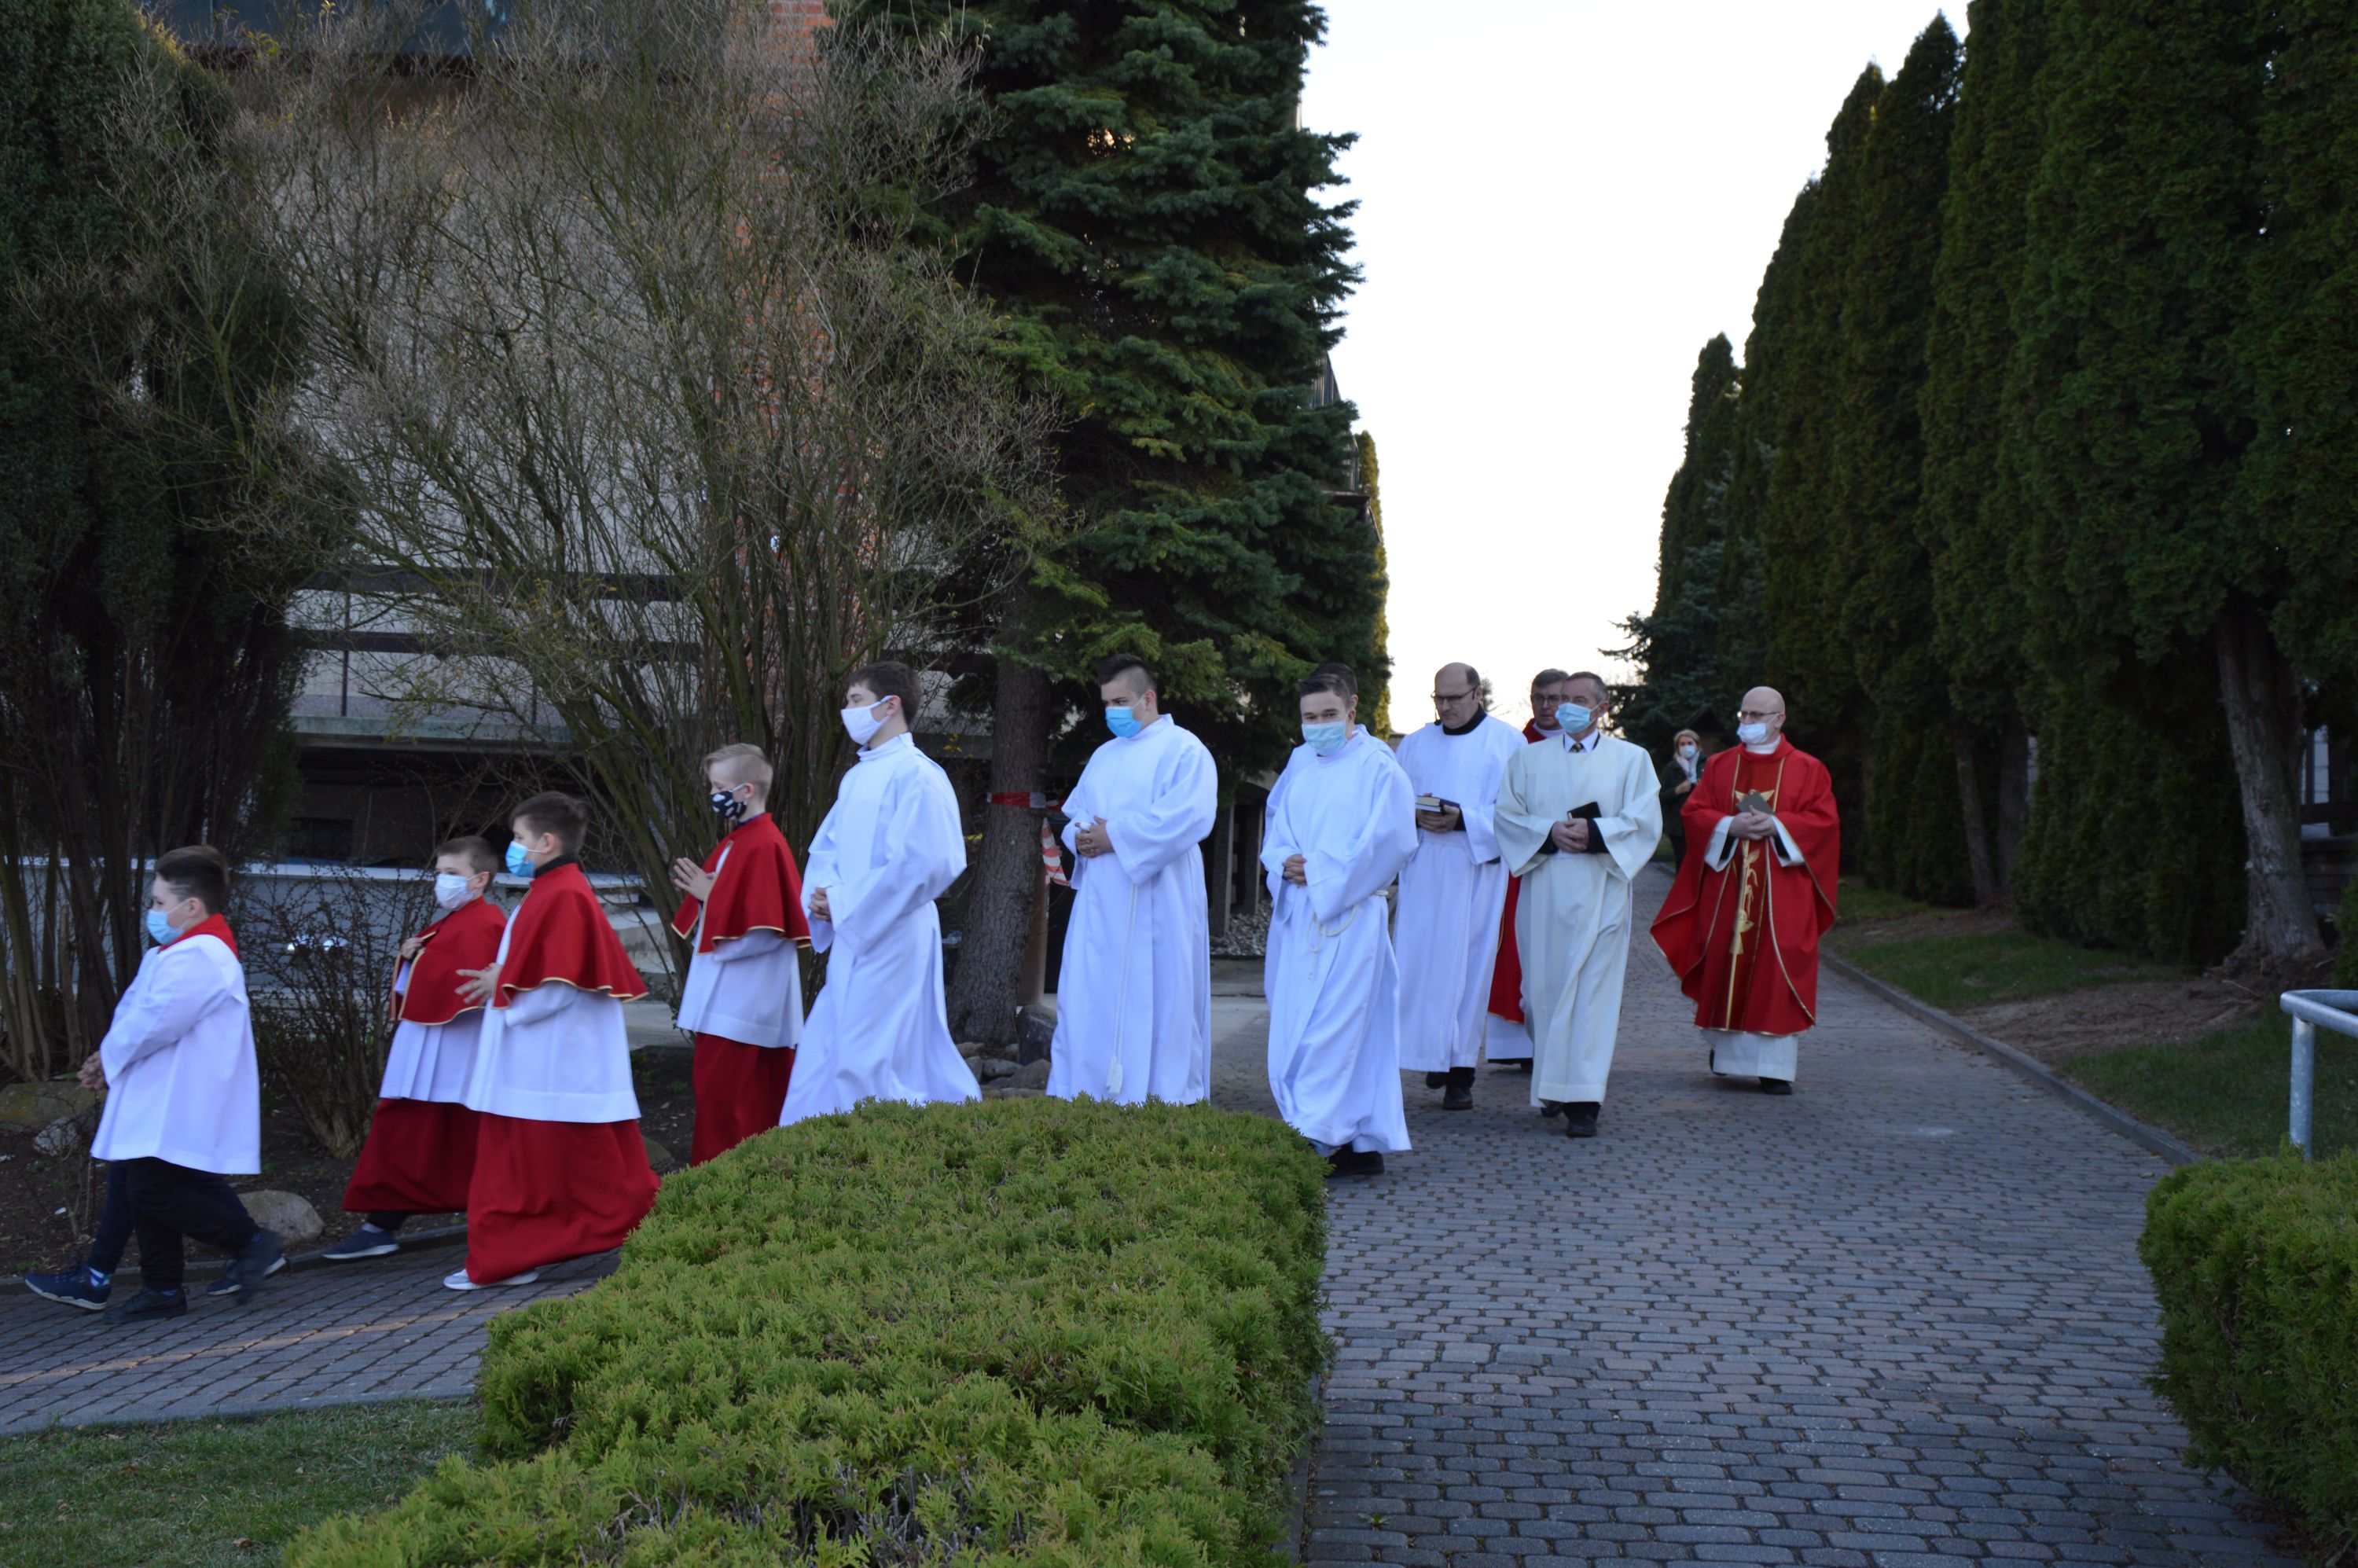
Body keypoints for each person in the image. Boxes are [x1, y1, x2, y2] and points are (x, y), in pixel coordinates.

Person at [453, 792, 659, 1289]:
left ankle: (510, 1257)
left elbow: (558, 986)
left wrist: (500, 985)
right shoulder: (553, 889)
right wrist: (504, 978)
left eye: (518, 838)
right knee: (560, 1172)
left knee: (529, 1173)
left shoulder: (563, 894)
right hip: (543, 1058)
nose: (513, 848)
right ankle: (514, 1255)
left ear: (545, 842)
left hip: (547, 1060)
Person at [75, 846, 281, 1320]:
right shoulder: (183, 951)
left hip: (178, 1095)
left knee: (151, 1191)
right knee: (144, 1185)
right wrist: (107, 1058)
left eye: (158, 902)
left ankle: (249, 1243)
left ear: (191, 906)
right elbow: (144, 1016)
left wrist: (108, 1058)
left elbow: (158, 1019)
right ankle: (162, 1288)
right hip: (162, 1091)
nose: (152, 912)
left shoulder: (201, 954)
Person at [780, 661, 979, 1122]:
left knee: (867, 1055)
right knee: (827, 1048)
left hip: (894, 934)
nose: (847, 711)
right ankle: (815, 1146)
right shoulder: (858, 776)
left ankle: (884, 1149)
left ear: (891, 706)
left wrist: (845, 902)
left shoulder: (918, 775)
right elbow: (827, 849)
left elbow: (929, 861)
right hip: (854, 932)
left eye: (856, 701)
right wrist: (824, 897)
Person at [1262, 664, 1417, 1177]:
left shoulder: (1379, 767)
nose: (1318, 725)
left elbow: (1392, 840)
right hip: (1299, 916)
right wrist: (1283, 862)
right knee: (1308, 1024)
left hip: (1349, 916)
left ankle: (1312, 1135)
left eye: (1328, 714)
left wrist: (1323, 872)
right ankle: (1359, 1140)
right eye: (1309, 717)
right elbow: (1277, 823)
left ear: (1352, 709)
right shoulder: (1299, 761)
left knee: (1333, 1027)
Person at [1493, 672, 1662, 1139]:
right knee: (1540, 995)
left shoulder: (1632, 759)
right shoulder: (1528, 759)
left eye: (1578, 700)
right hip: (1544, 888)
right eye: (1562, 698)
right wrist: (1548, 832)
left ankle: (1584, 1100)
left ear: (1602, 709)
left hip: (1601, 887)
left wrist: (1597, 833)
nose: (1565, 706)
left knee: (1591, 995)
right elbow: (1507, 815)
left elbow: (1645, 820)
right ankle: (1553, 1083)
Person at [323, 837, 507, 1262]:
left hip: (455, 1053)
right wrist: (410, 958)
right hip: (427, 1049)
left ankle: (388, 1226)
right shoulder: (450, 922)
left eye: (453, 874)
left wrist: (420, 962)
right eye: (439, 873)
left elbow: (469, 985)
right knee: (408, 1135)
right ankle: (381, 1225)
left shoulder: (487, 923)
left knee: (445, 1138)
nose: (442, 881)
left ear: (480, 880)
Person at [1046, 654, 1218, 1105]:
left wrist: (1115, 836)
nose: (1112, 712)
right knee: (1091, 995)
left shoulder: (1184, 750)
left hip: (1161, 897)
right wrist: (1082, 836)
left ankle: (1162, 1098)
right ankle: (1085, 1094)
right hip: (1102, 900)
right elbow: (1075, 813)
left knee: (1162, 995)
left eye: (1121, 702)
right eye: (1106, 704)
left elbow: (1190, 817)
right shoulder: (1104, 755)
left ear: (1148, 698)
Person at [1651, 685, 1840, 1094]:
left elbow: (1824, 823)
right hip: (1728, 888)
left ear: (1780, 720)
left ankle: (1775, 1069)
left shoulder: (1809, 768)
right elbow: (1695, 812)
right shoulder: (1720, 765)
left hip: (1784, 891)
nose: (1748, 722)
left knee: (1778, 965)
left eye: (1758, 715)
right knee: (1724, 959)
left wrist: (1779, 825)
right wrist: (1728, 825)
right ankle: (1727, 1054)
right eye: (1744, 714)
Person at [669, 743, 810, 1162]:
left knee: (730, 1116)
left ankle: (718, 1196)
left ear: (746, 790)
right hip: (735, 1007)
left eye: (719, 787)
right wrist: (711, 899)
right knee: (735, 1113)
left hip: (742, 1009)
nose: (712, 794)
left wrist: (712, 898)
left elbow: (766, 933)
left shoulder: (763, 845)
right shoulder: (740, 842)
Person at [1393, 663, 1525, 1110]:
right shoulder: (1414, 744)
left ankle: (1460, 1072)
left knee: (1468, 968)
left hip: (1475, 869)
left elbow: (1518, 812)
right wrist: (1416, 815)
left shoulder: (1508, 743)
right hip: (1424, 869)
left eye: (1454, 698)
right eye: (1439, 698)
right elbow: (1392, 802)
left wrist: (1465, 818)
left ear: (1477, 694)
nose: (1445, 707)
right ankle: (1432, 1053)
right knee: (1421, 966)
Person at [1477, 669, 1573, 1072]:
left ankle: (1557, 1041)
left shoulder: (1585, 749)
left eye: (1555, 698)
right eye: (1539, 698)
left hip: (1572, 862)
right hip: (1520, 862)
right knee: (1515, 948)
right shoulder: (1515, 746)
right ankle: (1513, 1044)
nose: (1546, 706)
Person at [1660, 728, 1705, 861]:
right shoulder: (1671, 769)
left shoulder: (1708, 765)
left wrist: (1702, 789)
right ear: (1678, 748)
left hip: (1701, 823)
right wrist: (1676, 791)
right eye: (1683, 744)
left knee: (1700, 862)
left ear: (1697, 745)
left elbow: (1719, 793)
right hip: (1678, 826)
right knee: (1682, 861)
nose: (1686, 747)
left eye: (1690, 743)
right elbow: (1660, 798)